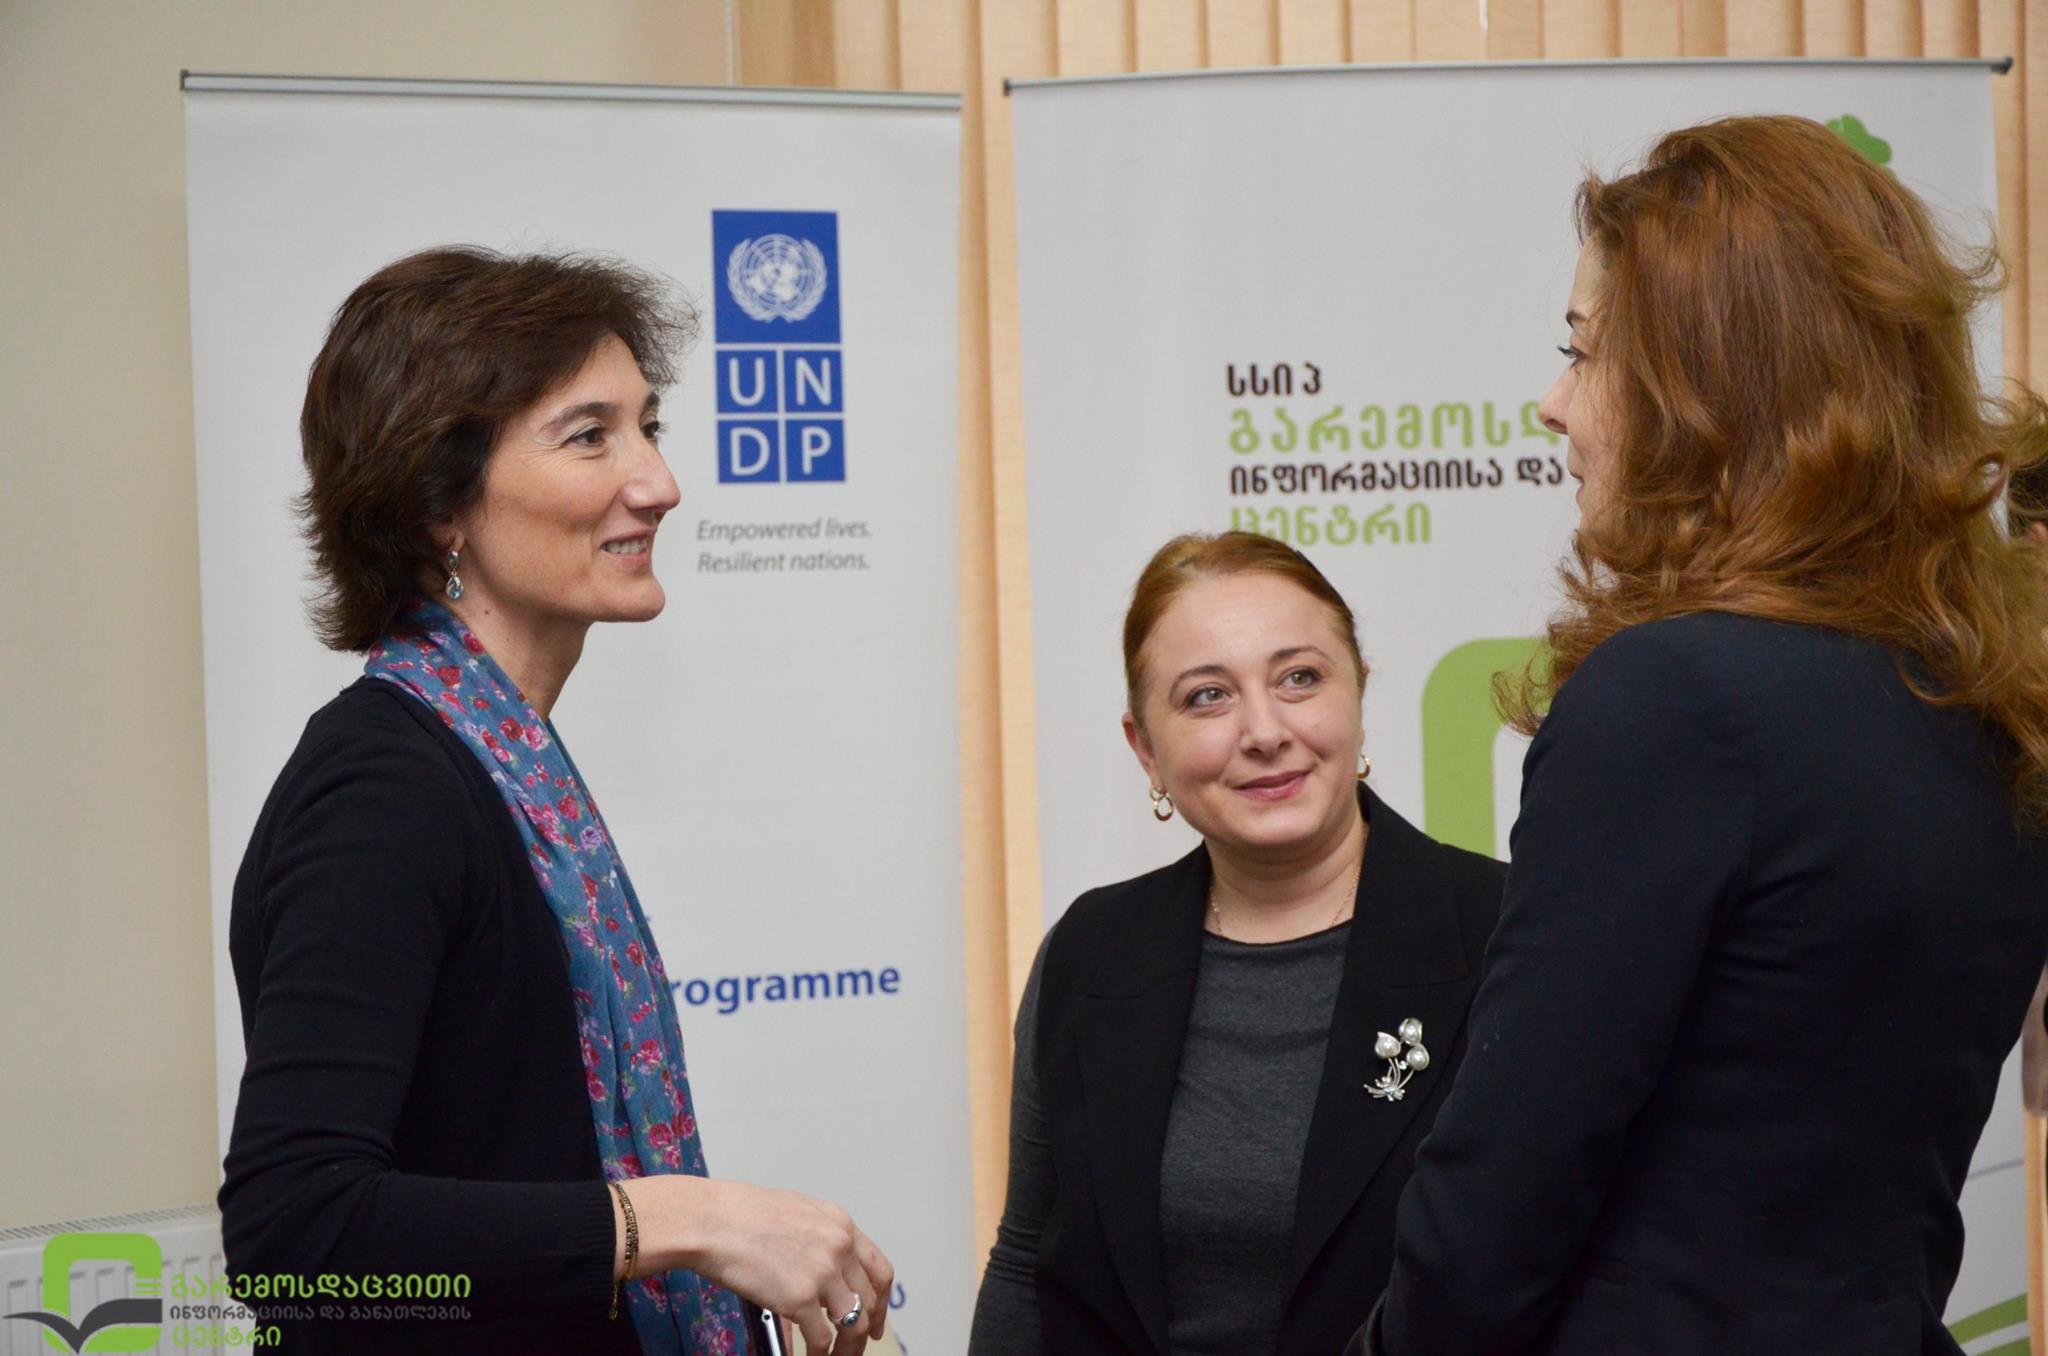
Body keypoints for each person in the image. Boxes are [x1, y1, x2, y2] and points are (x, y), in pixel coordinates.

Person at [1350, 115, 2048, 1356]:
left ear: (1702, 395)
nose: (1551, 405)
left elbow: (1497, 1204)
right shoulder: (1985, 705)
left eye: (1581, 353)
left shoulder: (1672, 700)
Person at [219, 247, 891, 1355]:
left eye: (648, 428)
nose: (658, 483)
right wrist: (684, 1221)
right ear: (438, 505)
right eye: (589, 437)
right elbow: (296, 1237)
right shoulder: (384, 790)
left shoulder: (503, 760)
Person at [968, 531, 1507, 1355]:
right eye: (1207, 697)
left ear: (1359, 693)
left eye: (1299, 678)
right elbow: (1025, 1268)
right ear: (1145, 749)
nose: (1264, 731)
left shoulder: (1507, 934)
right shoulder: (1090, 951)